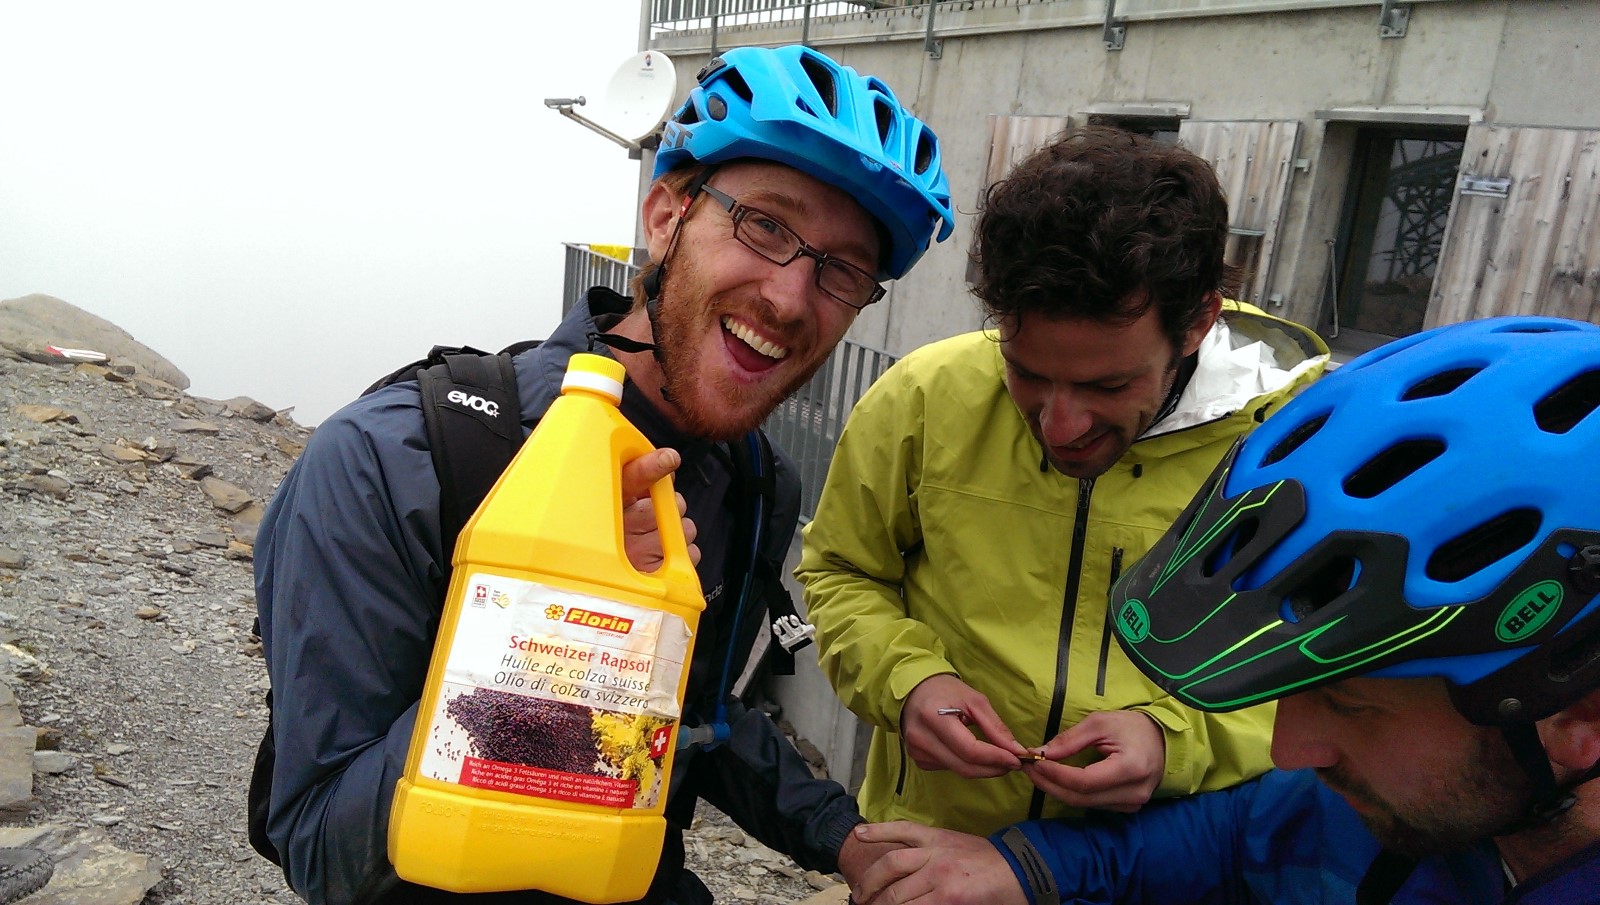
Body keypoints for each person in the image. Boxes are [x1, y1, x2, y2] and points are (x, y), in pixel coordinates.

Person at [253, 44, 954, 905]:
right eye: (764, 225)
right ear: (664, 217)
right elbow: (320, 847)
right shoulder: (399, 456)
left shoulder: (757, 482)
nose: (790, 297)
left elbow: (698, 714)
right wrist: (544, 626)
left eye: (842, 271)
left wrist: (845, 837)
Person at [847, 315, 1600, 904]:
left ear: (1581, 716)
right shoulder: (1421, 802)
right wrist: (1023, 867)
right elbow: (1240, 834)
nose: (1286, 748)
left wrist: (1172, 743)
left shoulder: (1433, 800)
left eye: (1348, 701)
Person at [795, 125, 1328, 834]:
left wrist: (1176, 743)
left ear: (1200, 319)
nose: (1061, 426)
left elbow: (1333, 668)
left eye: (1108, 383)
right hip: (932, 856)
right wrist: (909, 680)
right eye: (1026, 372)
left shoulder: (1301, 441)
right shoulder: (920, 398)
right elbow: (839, 571)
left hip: (1163, 874)